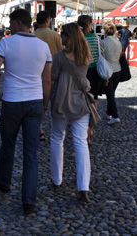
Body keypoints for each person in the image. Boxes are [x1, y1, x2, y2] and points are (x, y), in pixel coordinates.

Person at [0, 8, 52, 215]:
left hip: (12, 101)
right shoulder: (43, 47)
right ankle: (28, 201)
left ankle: (4, 182)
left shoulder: (6, 43)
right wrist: (44, 105)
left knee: (8, 145)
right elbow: (47, 82)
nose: (9, 26)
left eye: (10, 22)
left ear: (17, 23)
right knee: (31, 153)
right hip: (35, 101)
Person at [49, 22, 92, 202]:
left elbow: (53, 80)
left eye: (63, 35)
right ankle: (83, 187)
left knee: (57, 138)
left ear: (69, 36)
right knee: (80, 142)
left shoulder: (60, 56)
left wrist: (46, 100)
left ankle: (57, 179)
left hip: (61, 101)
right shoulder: (86, 55)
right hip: (81, 102)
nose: (61, 37)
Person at [34, 10, 63, 142]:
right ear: (47, 21)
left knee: (38, 103)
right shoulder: (55, 35)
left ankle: (39, 130)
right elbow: (62, 53)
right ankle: (56, 129)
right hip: (54, 74)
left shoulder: (32, 36)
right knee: (55, 103)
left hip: (37, 75)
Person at [77, 15, 105, 144]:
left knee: (81, 100)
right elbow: (102, 55)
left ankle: (81, 127)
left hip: (80, 72)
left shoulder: (77, 39)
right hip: (94, 72)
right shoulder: (96, 38)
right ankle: (90, 127)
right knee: (93, 100)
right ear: (89, 25)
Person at [102, 22, 122, 125]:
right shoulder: (118, 42)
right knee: (111, 93)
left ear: (105, 31)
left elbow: (102, 58)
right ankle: (109, 113)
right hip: (118, 70)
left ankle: (115, 115)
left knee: (110, 95)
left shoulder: (103, 42)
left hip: (108, 71)